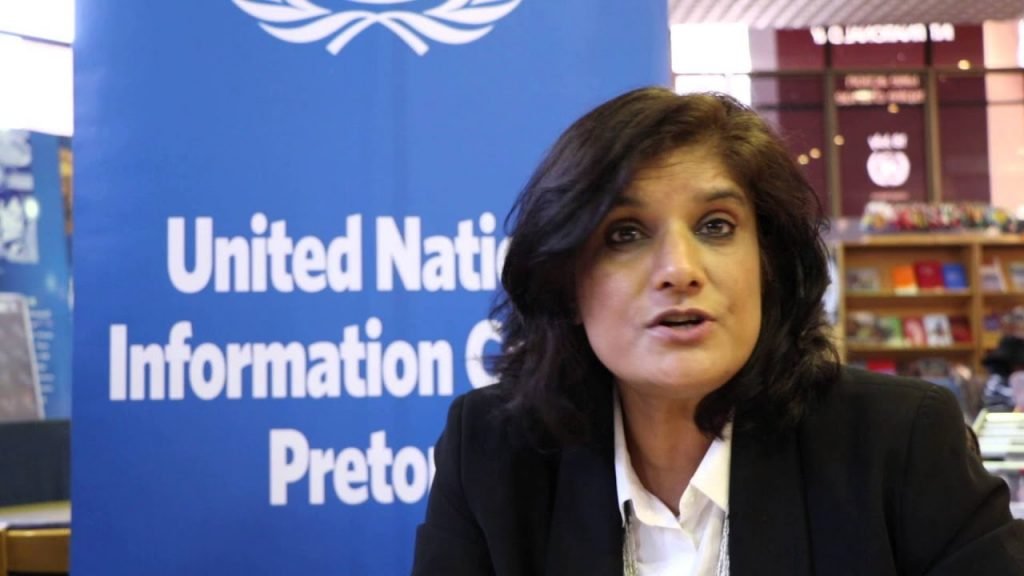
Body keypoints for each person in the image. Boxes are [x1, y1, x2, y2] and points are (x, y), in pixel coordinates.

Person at [412, 87, 1024, 575]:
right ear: (566, 283)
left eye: (715, 226)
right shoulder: (489, 453)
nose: (680, 270)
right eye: (625, 233)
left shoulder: (901, 441)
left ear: (767, 265)